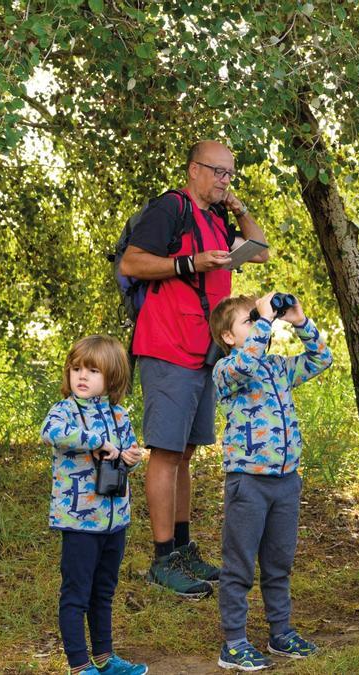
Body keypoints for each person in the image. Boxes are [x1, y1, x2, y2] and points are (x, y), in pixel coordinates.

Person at [118, 140, 269, 598]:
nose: (225, 179)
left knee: (184, 453)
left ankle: (182, 548)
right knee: (164, 452)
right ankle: (162, 559)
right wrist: (190, 263)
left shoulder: (218, 217)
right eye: (218, 171)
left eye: (230, 173)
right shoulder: (172, 208)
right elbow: (131, 262)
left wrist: (239, 208)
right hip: (166, 345)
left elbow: (259, 250)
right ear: (193, 170)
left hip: (203, 348)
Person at [209, 292, 333, 670]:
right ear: (229, 337)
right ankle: (234, 642)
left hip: (285, 481)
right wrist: (265, 319)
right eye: (249, 320)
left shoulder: (278, 367)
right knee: (240, 565)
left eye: (260, 319)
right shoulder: (227, 369)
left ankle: (280, 632)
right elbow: (247, 364)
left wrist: (299, 321)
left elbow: (321, 359)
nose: (260, 324)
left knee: (279, 563)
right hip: (248, 482)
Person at [41, 336, 148, 675]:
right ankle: (79, 664)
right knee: (76, 594)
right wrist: (97, 442)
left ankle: (104, 658)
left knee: (104, 591)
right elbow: (51, 433)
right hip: (79, 522)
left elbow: (128, 455)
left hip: (115, 520)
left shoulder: (119, 415)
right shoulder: (64, 411)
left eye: (92, 370)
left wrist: (131, 458)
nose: (82, 376)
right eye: (76, 369)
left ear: (112, 377)